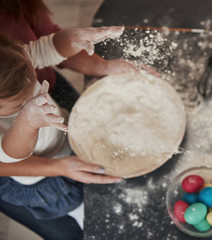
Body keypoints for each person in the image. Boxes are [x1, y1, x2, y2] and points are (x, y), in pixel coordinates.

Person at [0, 27, 127, 240]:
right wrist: (27, 122)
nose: (32, 100)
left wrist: (74, 38)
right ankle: (79, 215)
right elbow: (8, 155)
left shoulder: (11, 59)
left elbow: (49, 48)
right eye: (20, 104)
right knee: (80, 206)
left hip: (61, 138)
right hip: (40, 178)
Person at [0, 0, 159, 111]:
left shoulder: (20, 57)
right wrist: (59, 160)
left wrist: (103, 66)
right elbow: (8, 155)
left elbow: (47, 48)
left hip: (52, 87)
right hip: (44, 155)